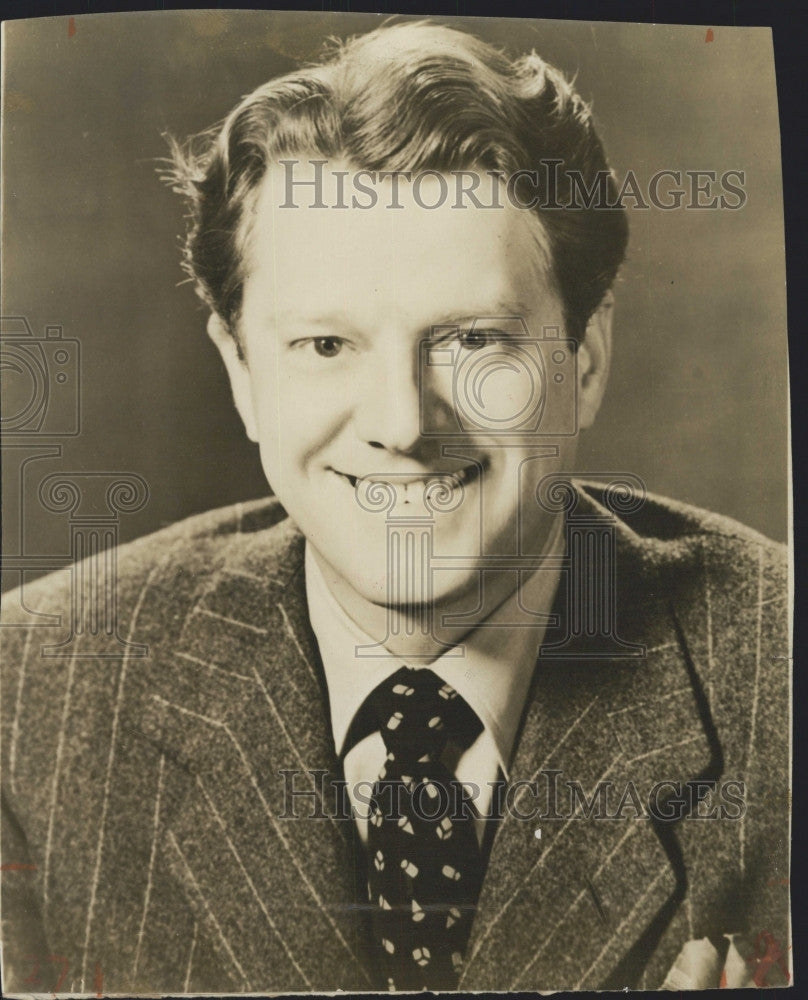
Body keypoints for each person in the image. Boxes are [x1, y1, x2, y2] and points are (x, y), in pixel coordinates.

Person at [0, 20, 789, 995]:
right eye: (326, 345)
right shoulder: (30, 695)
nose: (401, 424)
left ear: (584, 359)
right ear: (240, 372)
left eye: (468, 339)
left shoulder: (779, 671)